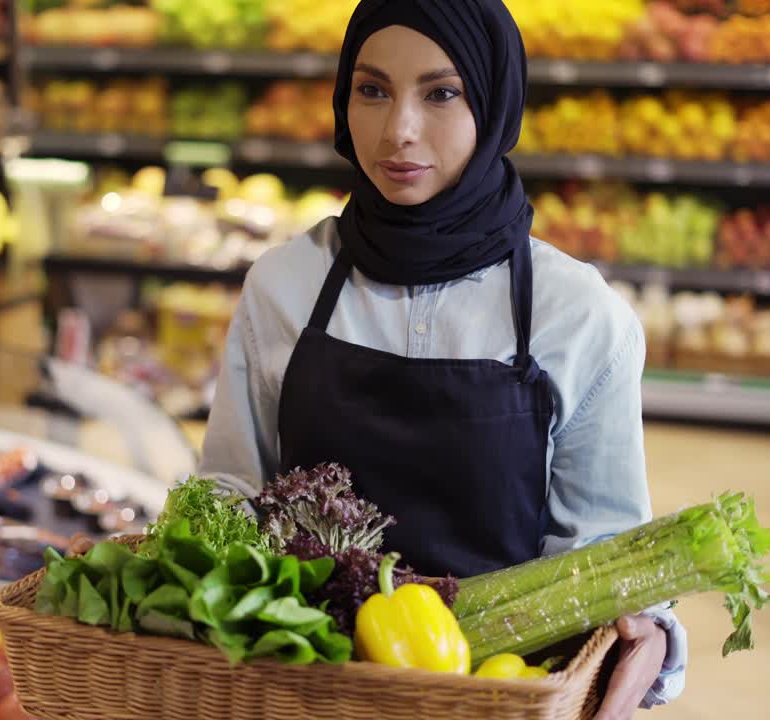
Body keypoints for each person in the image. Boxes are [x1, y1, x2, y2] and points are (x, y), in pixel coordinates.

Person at [198, 1, 686, 716]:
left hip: (496, 692)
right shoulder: (283, 287)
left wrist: (650, 633)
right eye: (372, 90)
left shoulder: (578, 316)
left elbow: (602, 551)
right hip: (303, 689)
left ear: (493, 104)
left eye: (441, 93)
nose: (399, 129)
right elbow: (229, 492)